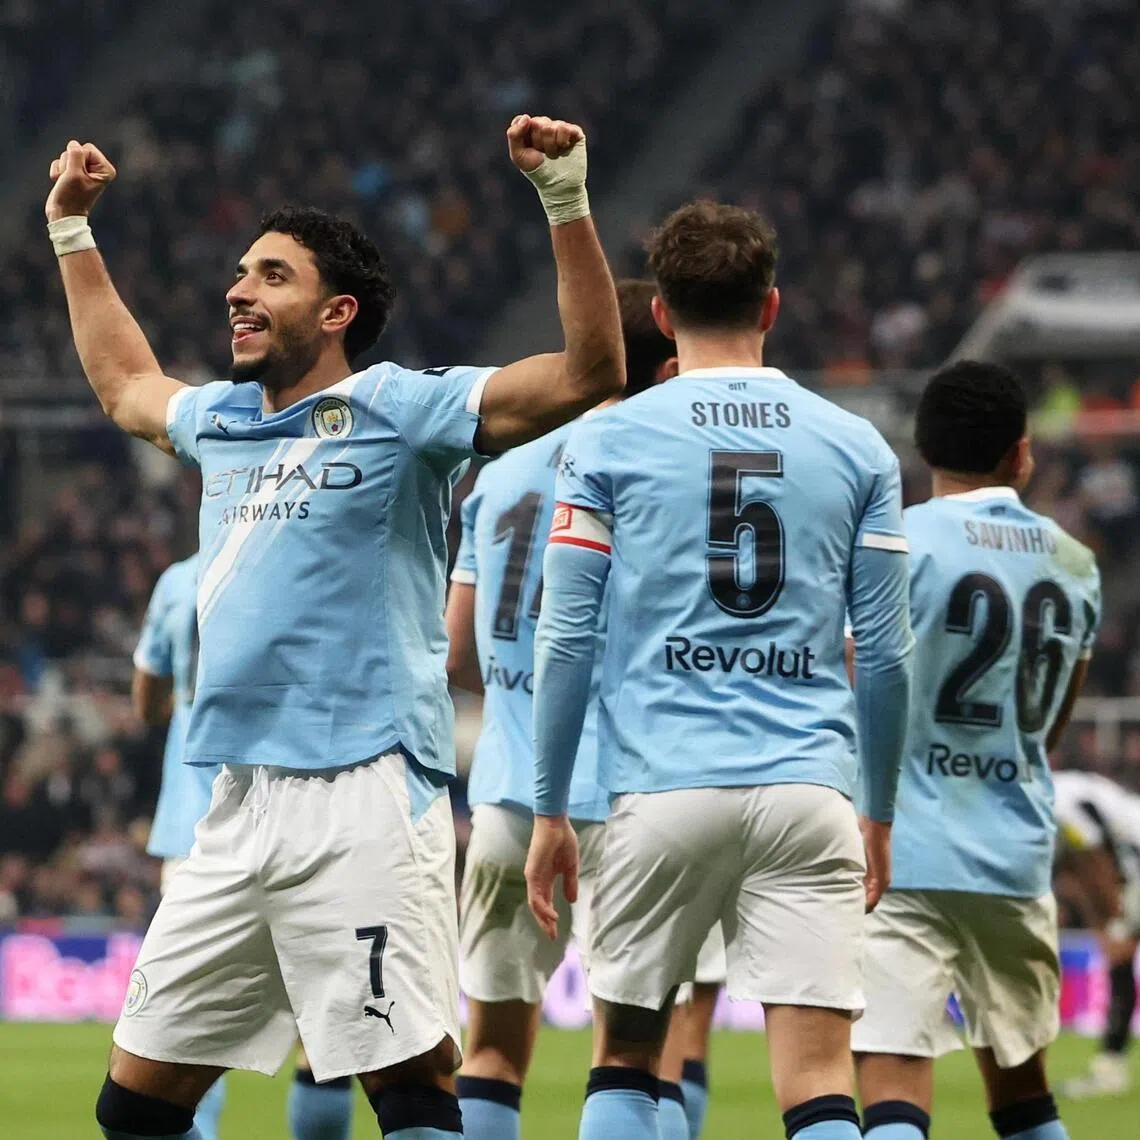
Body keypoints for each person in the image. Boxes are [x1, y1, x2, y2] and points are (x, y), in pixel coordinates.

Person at [44, 113, 624, 1140]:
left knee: (407, 1093)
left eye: (272, 276)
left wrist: (566, 198)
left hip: (361, 789)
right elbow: (127, 385)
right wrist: (73, 233)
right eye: (240, 272)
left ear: (338, 309)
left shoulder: (405, 410)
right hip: (234, 800)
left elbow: (588, 375)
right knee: (132, 1108)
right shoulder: (223, 419)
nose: (239, 290)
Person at [524, 200, 915, 1140]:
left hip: (660, 787)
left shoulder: (605, 441)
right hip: (808, 786)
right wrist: (880, 812)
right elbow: (890, 654)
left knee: (624, 1058)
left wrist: (548, 809)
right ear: (771, 308)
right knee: (819, 1079)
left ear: (660, 314)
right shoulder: (858, 445)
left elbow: (566, 639)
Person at [445, 278, 677, 1140]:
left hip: (508, 795)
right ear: (665, 365)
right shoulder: (661, 463)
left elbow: (457, 653)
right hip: (632, 795)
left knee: (493, 1052)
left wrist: (516, 694)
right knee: (633, 1060)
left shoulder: (500, 474)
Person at [851, 361, 1102, 1140]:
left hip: (901, 850)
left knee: (892, 1082)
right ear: (1020, 455)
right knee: (1025, 1096)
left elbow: (865, 685)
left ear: (924, 448)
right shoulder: (1076, 563)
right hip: (1014, 852)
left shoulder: (899, 540)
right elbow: (1052, 724)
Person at [132, 553, 228, 1140]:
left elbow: (146, 702)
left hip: (191, 831)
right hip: (285, 809)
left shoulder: (175, 581)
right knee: (320, 1037)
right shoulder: (285, 554)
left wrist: (187, 713)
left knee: (192, 1023)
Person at [1052, 768, 1140, 1098]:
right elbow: (1076, 871)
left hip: (1133, 858)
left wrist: (1111, 920)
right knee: (1118, 961)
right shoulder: (1055, 792)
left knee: (1119, 956)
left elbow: (1095, 858)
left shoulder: (1056, 803)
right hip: (1127, 860)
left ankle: (1110, 1069)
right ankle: (1110, 1066)